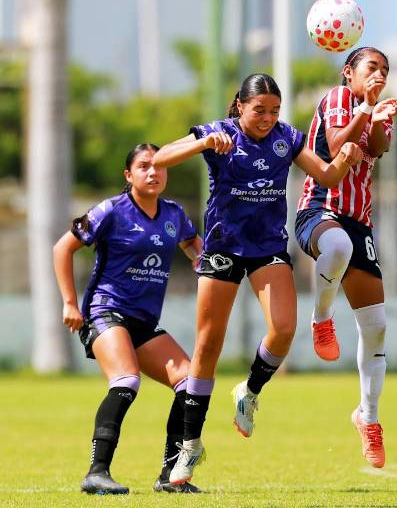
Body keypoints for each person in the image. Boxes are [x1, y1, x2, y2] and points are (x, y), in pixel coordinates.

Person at [151, 73, 362, 486]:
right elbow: (160, 159)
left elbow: (328, 176)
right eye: (259, 110)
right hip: (222, 247)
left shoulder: (286, 137)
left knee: (284, 328)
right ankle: (190, 447)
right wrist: (202, 143)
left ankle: (248, 391)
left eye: (274, 110)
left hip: (267, 248)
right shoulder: (221, 132)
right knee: (207, 346)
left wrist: (347, 157)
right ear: (239, 106)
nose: (267, 118)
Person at [52, 143, 204, 495]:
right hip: (106, 312)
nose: (154, 172)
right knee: (126, 380)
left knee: (190, 383)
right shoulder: (111, 211)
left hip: (143, 323)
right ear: (129, 175)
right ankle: (97, 472)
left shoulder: (174, 214)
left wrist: (206, 263)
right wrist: (70, 303)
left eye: (160, 166)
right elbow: (63, 247)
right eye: (145, 166)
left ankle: (170, 475)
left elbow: (194, 247)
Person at [295, 46, 397, 469]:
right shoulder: (338, 100)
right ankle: (322, 317)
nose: (380, 74)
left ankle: (368, 418)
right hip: (320, 209)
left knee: (376, 328)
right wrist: (366, 108)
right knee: (336, 247)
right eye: (372, 67)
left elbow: (377, 148)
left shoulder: (376, 109)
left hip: (359, 221)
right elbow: (337, 143)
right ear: (348, 72)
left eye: (385, 70)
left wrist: (377, 115)